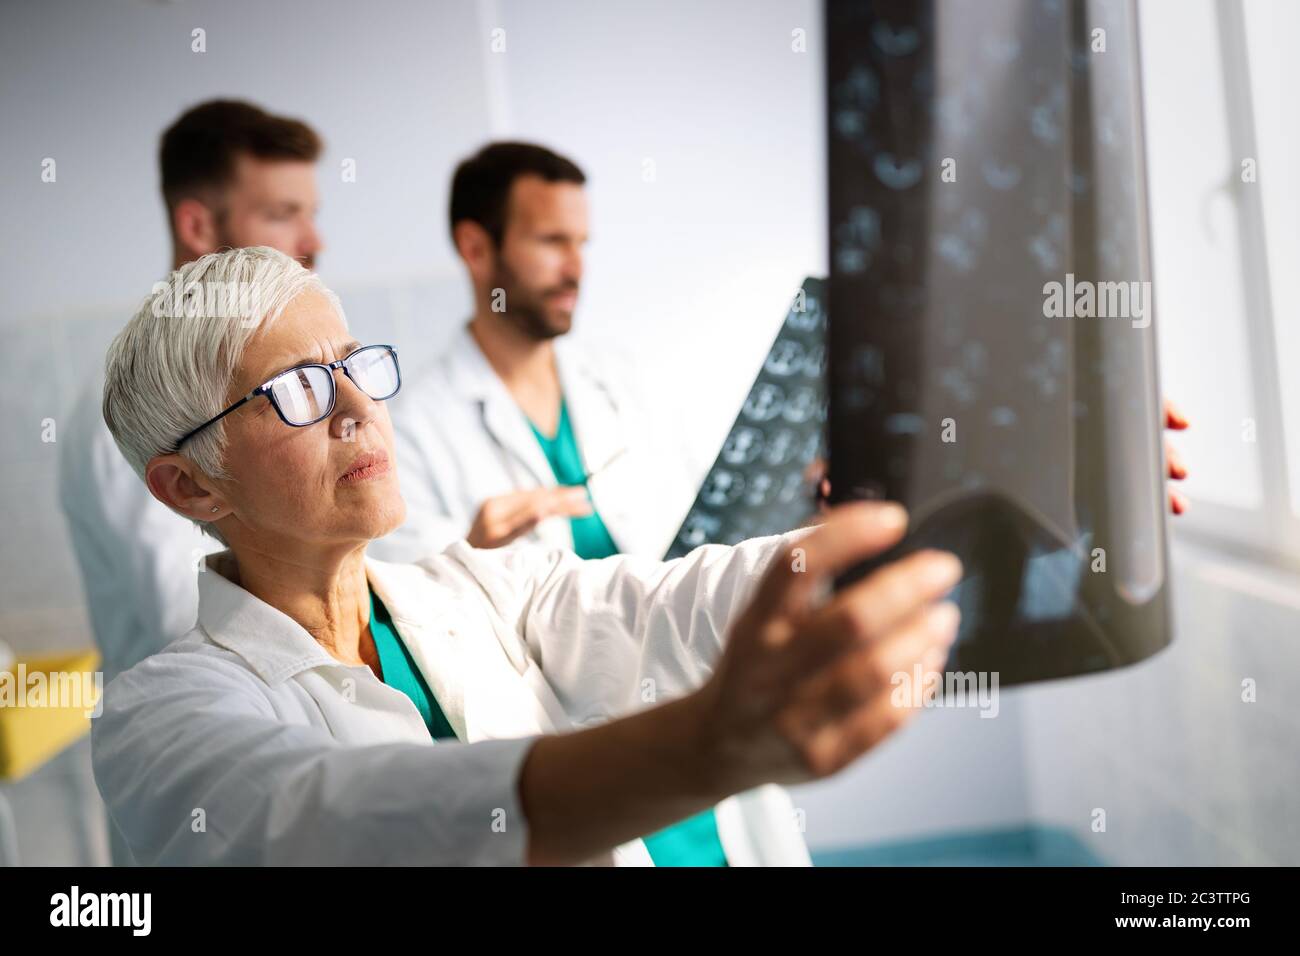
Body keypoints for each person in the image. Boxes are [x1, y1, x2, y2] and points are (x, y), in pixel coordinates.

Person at [91, 246, 966, 866]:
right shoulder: (161, 720)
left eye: (355, 364)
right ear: (194, 488)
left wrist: (849, 547)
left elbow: (663, 605)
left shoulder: (473, 587)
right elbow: (344, 828)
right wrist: (712, 747)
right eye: (297, 389)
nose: (358, 404)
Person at [58, 99, 325, 682]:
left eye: (310, 213)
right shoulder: (135, 408)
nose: (312, 240)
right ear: (199, 226)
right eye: (283, 214)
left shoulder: (273, 377)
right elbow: (187, 618)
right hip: (208, 731)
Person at [371, 142, 697, 563]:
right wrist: (469, 555)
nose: (576, 269)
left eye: (581, 243)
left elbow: (705, 530)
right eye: (552, 241)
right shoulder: (410, 433)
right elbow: (413, 603)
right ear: (476, 249)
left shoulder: (623, 377)